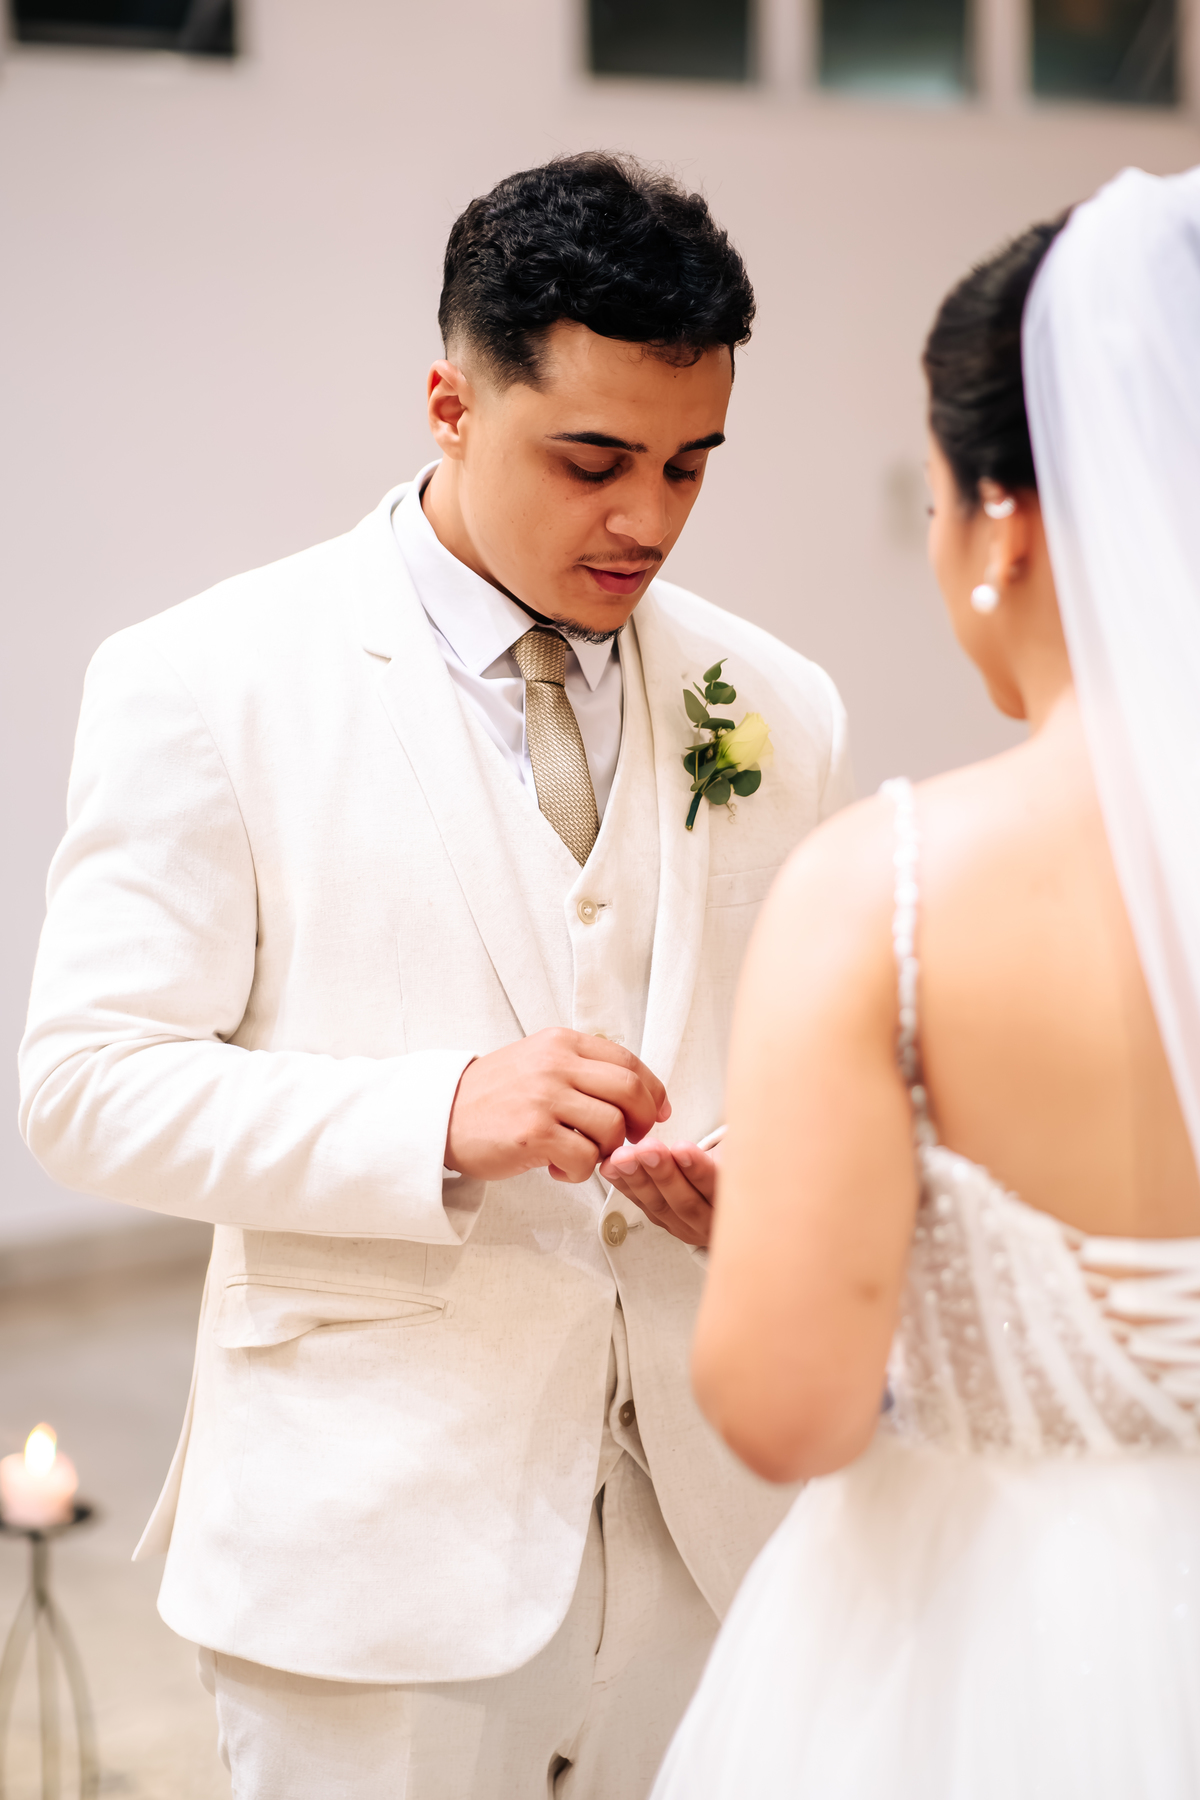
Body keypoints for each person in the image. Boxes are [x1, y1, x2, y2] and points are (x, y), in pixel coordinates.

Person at [17, 152, 851, 1799]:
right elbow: (84, 1086)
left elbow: (795, 1051)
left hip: (712, 1539)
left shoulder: (778, 702)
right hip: (367, 1554)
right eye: (593, 460)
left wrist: (771, 1170)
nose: (649, 519)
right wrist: (437, 1114)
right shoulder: (209, 680)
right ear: (451, 405)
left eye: (691, 464)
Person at [633, 166, 1200, 1797]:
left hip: (992, 1649)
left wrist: (813, 1236)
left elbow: (789, 1409)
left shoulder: (888, 891)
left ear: (1002, 521)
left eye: (944, 496)